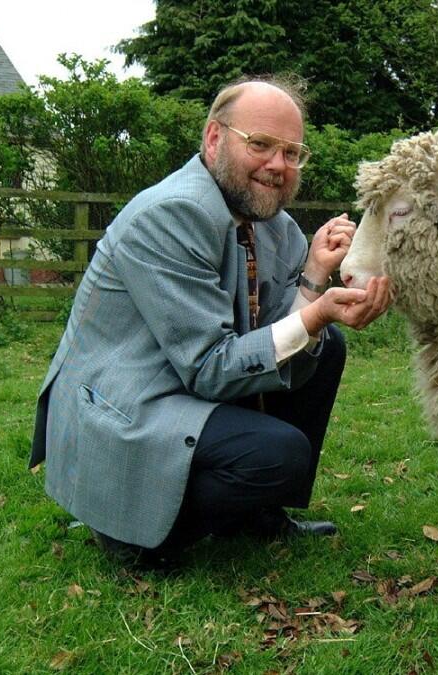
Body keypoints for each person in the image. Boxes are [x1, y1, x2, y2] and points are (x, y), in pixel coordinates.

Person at [29, 77, 392, 567]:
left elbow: (271, 334)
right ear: (214, 138)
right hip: (124, 405)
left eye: (292, 153)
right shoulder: (169, 215)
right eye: (261, 144)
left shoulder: (274, 225)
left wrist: (313, 278)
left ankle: (256, 514)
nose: (278, 166)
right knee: (277, 453)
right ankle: (134, 537)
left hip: (185, 382)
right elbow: (210, 367)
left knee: (324, 347)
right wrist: (315, 313)